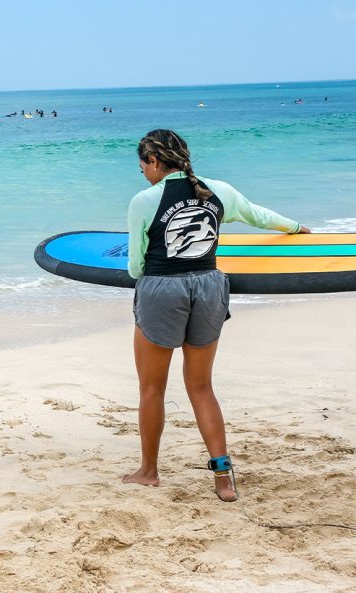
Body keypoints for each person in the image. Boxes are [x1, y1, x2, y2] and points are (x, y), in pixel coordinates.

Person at [123, 129, 310, 502]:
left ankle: (149, 471)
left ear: (155, 162)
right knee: (201, 387)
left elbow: (135, 267)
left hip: (163, 290)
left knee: (151, 389)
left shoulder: (144, 200)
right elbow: (258, 215)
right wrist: (294, 228)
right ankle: (224, 478)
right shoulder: (219, 189)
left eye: (142, 165)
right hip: (210, 288)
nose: (142, 173)